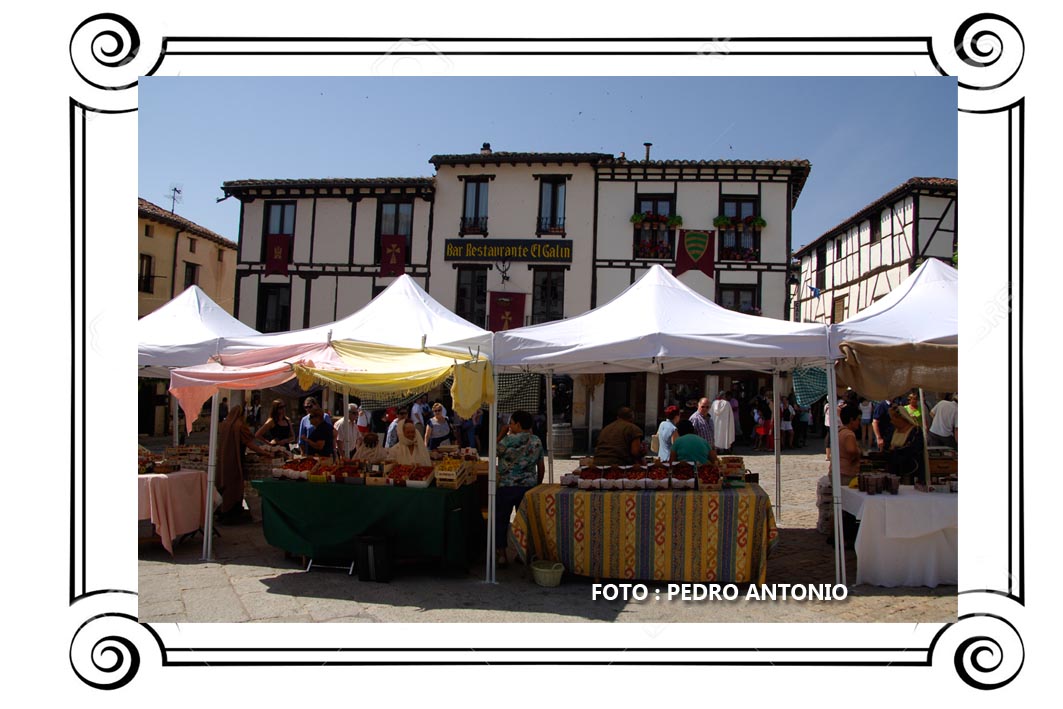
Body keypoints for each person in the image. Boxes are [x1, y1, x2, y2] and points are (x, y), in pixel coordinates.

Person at [495, 410, 545, 567]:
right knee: (525, 522)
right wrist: (537, 484)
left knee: (501, 520)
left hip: (506, 487)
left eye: (511, 423)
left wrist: (502, 433)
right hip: (527, 487)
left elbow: (493, 452)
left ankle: (502, 555)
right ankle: (523, 553)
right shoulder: (536, 441)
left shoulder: (507, 441)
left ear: (517, 424)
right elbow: (541, 467)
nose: (509, 425)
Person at [216, 407, 271, 524]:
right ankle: (230, 514)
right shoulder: (239, 426)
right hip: (235, 460)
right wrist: (264, 452)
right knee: (234, 486)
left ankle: (224, 511)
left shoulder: (225, 424)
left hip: (224, 459)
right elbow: (250, 444)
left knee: (226, 485)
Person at [817, 406, 862, 536]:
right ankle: (839, 533)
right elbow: (851, 450)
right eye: (857, 419)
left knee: (837, 504)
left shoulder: (839, 431)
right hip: (845, 472)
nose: (859, 422)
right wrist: (857, 455)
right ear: (852, 420)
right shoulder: (848, 433)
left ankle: (834, 533)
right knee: (844, 505)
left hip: (837, 470)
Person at [886, 404, 925, 480]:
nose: (891, 421)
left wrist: (896, 450)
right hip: (895, 468)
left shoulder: (915, 431)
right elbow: (887, 444)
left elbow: (914, 447)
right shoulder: (894, 430)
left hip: (911, 469)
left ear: (901, 418)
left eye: (893, 419)